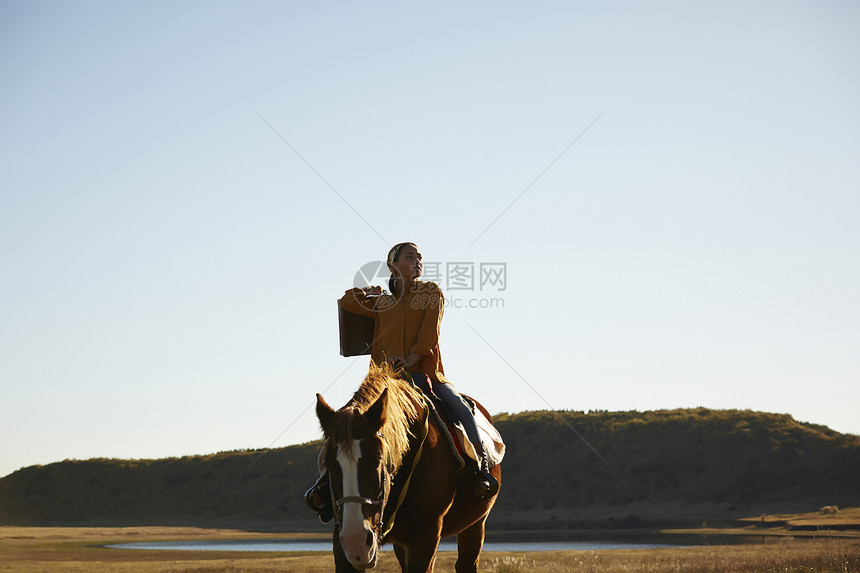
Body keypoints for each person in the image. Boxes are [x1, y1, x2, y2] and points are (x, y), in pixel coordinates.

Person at [305, 242, 498, 522]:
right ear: (392, 265)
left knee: (460, 408)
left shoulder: (430, 293)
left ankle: (480, 468)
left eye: (419, 256)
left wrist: (410, 360)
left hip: (424, 376)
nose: (418, 260)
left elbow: (430, 335)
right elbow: (347, 302)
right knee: (343, 420)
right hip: (383, 384)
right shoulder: (381, 302)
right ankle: (324, 483)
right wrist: (367, 292)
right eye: (410, 256)